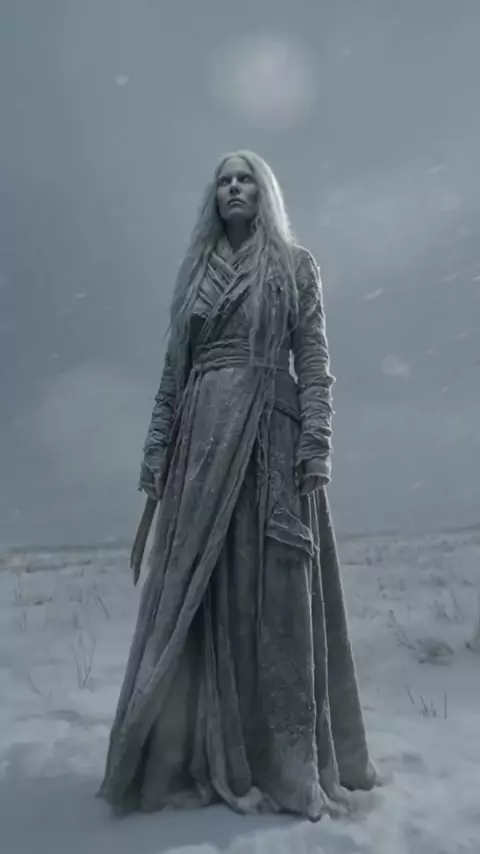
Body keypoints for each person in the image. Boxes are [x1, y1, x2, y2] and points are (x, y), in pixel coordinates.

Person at [98, 150, 377, 821]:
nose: (233, 187)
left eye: (245, 178)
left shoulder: (294, 266)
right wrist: (156, 452)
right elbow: (173, 375)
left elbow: (313, 357)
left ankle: (276, 752)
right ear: (213, 196)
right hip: (199, 446)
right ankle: (187, 748)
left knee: (271, 594)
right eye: (223, 180)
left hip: (267, 436)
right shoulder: (195, 275)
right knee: (194, 596)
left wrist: (316, 440)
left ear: (264, 191)